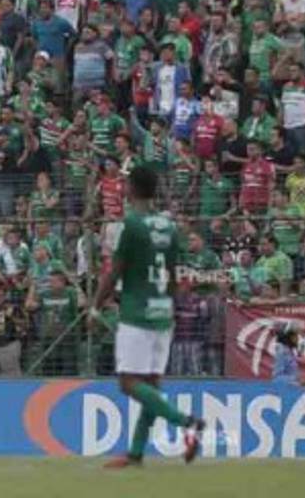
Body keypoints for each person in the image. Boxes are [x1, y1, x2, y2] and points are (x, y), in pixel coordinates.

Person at [89, 165, 206, 468]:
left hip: (137, 313)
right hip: (163, 312)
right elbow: (172, 272)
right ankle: (136, 453)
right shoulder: (168, 226)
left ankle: (187, 422)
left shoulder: (131, 224)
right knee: (151, 386)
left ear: (132, 189)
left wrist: (95, 306)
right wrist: (168, 305)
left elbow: (115, 271)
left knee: (128, 383)